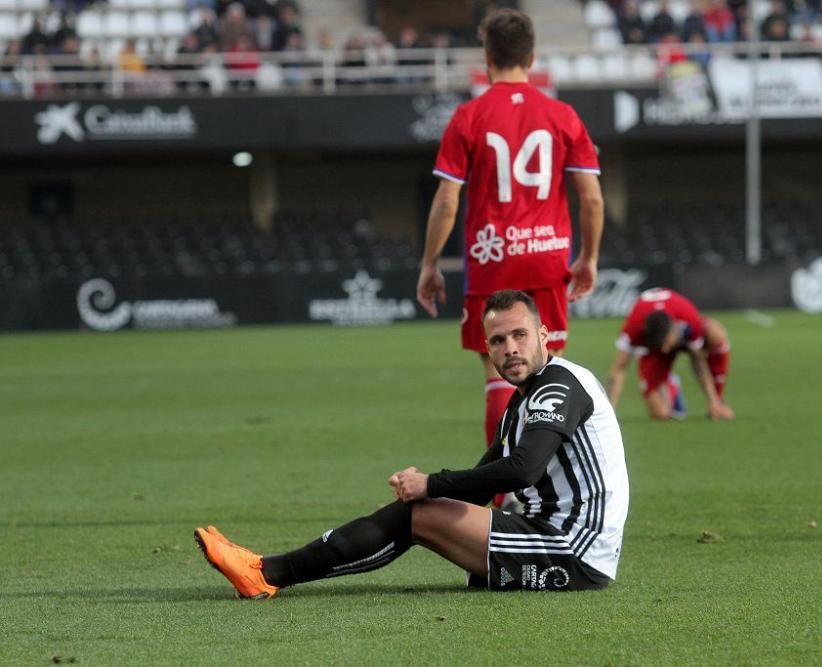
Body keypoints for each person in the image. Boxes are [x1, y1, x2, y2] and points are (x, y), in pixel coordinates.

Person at [194, 290, 629, 596]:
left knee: (417, 516)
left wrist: (431, 485)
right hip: (554, 536)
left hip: (574, 549)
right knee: (418, 510)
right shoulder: (524, 400)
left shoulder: (559, 386)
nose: (510, 348)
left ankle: (266, 573)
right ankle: (264, 570)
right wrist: (427, 488)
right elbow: (481, 486)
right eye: (498, 340)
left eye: (520, 335)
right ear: (488, 349)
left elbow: (523, 470)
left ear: (544, 335)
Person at [416, 9, 605, 489]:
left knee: (501, 375)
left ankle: (499, 497)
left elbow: (446, 199)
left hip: (491, 257)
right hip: (547, 258)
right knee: (544, 375)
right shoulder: (562, 115)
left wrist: (430, 263)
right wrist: (589, 258)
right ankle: (550, 486)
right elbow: (592, 197)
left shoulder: (469, 116)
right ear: (532, 56)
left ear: (486, 57)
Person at [606, 287, 734, 421]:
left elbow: (698, 363)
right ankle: (671, 383)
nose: (666, 350)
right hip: (653, 350)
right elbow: (618, 370)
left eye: (667, 344)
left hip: (680, 338)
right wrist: (608, 412)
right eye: (662, 346)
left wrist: (713, 400)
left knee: (716, 334)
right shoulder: (633, 329)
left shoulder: (689, 319)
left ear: (674, 329)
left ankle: (719, 402)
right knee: (660, 414)